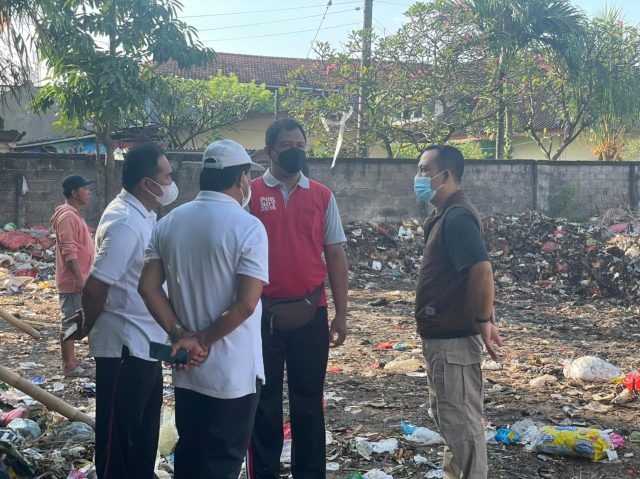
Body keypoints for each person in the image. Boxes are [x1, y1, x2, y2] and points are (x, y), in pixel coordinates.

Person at [138, 139, 269, 479]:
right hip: (232, 373)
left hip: (188, 368)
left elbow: (148, 287)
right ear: (241, 179)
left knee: (191, 457)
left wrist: (181, 334)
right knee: (222, 462)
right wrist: (204, 340)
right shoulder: (248, 227)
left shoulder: (169, 223)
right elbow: (246, 303)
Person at [247, 118, 349, 479]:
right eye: (287, 146)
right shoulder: (250, 194)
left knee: (308, 403)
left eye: (300, 146)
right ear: (269, 151)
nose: (295, 152)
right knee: (264, 403)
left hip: (311, 312)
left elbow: (334, 253)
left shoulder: (321, 195)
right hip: (262, 316)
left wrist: (341, 313)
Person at [75, 143, 178, 479]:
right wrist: (87, 325)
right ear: (147, 183)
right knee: (117, 441)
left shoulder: (144, 215)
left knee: (143, 440)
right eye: (167, 176)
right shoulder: (125, 223)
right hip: (124, 347)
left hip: (146, 345)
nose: (171, 183)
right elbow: (96, 286)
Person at [413, 144, 502, 479]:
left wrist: (483, 320)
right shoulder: (446, 214)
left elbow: (482, 271)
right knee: (451, 419)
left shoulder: (457, 217)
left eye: (424, 170)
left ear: (445, 175)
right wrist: (486, 318)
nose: (419, 177)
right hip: (443, 338)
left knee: (462, 425)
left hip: (453, 342)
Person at [51, 175, 95, 376]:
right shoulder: (67, 216)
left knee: (77, 319)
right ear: (74, 192)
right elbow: (68, 249)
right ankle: (68, 364)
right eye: (85, 189)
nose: (88, 192)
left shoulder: (74, 214)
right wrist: (78, 277)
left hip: (80, 278)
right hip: (73, 281)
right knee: (70, 321)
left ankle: (72, 359)